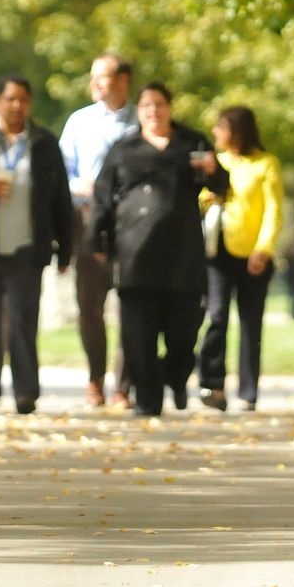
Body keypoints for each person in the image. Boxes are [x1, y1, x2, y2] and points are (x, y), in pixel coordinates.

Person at [88, 83, 228, 417]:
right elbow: (102, 196)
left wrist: (214, 172)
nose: (153, 111)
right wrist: (96, 239)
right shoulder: (124, 148)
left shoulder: (192, 143)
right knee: (138, 335)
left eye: (159, 104)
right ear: (139, 111)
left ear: (170, 107)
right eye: (147, 105)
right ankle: (148, 400)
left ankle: (176, 377)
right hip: (135, 254)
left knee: (184, 333)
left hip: (183, 255)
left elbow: (222, 186)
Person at [0, 75, 73, 414]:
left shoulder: (43, 142)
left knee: (24, 322)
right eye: (10, 99)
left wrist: (65, 247)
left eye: (23, 99)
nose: (17, 105)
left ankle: (26, 392)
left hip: (28, 246)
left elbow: (60, 199)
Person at [59, 53, 138, 407]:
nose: (94, 84)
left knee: (132, 305)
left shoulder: (141, 121)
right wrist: (79, 186)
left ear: (122, 81)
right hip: (89, 221)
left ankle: (124, 386)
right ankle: (95, 379)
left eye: (101, 77)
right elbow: (63, 171)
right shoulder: (79, 122)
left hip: (130, 225)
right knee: (89, 306)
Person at [198, 105, 284, 413]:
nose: (215, 133)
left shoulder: (265, 164)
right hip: (217, 251)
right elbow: (198, 197)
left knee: (250, 323)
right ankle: (213, 384)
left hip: (252, 254)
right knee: (217, 316)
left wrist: (264, 248)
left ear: (237, 130)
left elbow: (273, 210)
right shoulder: (216, 162)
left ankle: (248, 391)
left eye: (221, 127)